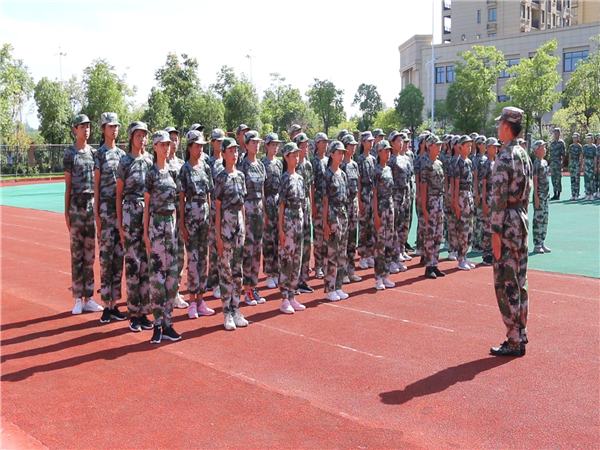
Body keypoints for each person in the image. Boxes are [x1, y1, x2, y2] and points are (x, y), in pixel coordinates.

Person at [490, 106, 531, 357]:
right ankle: (521, 333)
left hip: (506, 223)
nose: (498, 128)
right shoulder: (523, 154)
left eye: (500, 124)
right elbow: (528, 191)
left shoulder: (505, 156)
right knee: (520, 280)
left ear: (506, 126)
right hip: (521, 220)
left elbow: (498, 198)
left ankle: (513, 340)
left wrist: (495, 232)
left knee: (505, 282)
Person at [64, 114, 104, 315]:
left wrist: (97, 211)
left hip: (91, 206)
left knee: (90, 255)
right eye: (82, 126)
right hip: (76, 207)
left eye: (88, 126)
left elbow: (98, 185)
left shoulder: (94, 153)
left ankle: (89, 298)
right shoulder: (70, 154)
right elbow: (68, 185)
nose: (86, 130)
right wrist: (66, 213)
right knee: (77, 255)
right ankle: (78, 299)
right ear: (75, 130)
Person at [144, 130, 182, 344]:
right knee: (158, 276)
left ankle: (168, 322)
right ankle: (157, 324)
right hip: (156, 224)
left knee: (172, 276)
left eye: (168, 144)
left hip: (171, 225)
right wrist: (146, 234)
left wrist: (177, 228)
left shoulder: (173, 172)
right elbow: (147, 205)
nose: (167, 148)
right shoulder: (150, 174)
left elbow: (176, 204)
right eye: (162, 144)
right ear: (155, 147)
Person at [117, 121, 154, 332]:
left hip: (147, 214)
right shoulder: (124, 162)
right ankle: (133, 313)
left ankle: (144, 312)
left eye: (144, 135)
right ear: (131, 137)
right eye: (138, 135)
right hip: (130, 213)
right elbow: (118, 195)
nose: (142, 139)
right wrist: (120, 224)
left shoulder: (150, 161)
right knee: (133, 264)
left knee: (146, 264)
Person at [179, 130, 215, 318]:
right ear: (189, 147)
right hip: (191, 216)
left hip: (204, 216)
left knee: (203, 259)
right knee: (192, 260)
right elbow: (181, 198)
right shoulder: (185, 169)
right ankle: (192, 301)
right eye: (197, 146)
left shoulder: (206, 167)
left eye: (202, 146)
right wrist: (183, 224)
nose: (200, 149)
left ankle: (201, 300)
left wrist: (210, 218)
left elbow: (209, 193)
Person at [94, 112, 126, 323]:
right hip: (105, 211)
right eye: (110, 126)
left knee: (118, 258)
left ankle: (115, 304)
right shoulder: (99, 154)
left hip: (120, 211)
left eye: (116, 126)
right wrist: (97, 214)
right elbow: (95, 185)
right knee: (106, 259)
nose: (114, 130)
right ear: (103, 129)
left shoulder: (122, 155)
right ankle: (106, 305)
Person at [214, 138, 249, 331]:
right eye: (230, 151)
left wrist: (244, 228)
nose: (234, 154)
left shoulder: (241, 176)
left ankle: (236, 309)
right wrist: (218, 235)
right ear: (223, 153)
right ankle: (226, 312)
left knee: (238, 270)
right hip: (226, 225)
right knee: (226, 270)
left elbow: (242, 204)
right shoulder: (221, 177)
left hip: (239, 226)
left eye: (236, 151)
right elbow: (218, 208)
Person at [278, 142, 307, 314]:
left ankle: (292, 295)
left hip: (299, 220)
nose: (296, 158)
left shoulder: (300, 178)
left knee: (297, 259)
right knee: (287, 259)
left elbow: (303, 203)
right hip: (288, 220)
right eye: (293, 155)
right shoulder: (284, 178)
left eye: (297, 155)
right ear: (286, 157)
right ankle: (284, 299)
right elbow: (281, 205)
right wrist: (281, 229)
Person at [240, 130, 267, 305]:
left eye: (258, 143)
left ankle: (254, 287)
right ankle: (246, 289)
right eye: (253, 143)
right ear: (246, 144)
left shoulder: (261, 165)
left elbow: (262, 190)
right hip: (248, 209)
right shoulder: (243, 165)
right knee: (248, 251)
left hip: (258, 210)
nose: (256, 146)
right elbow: (241, 192)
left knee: (257, 251)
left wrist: (264, 212)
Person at [165, 127, 189, 310]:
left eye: (176, 139)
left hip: (180, 213)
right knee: (165, 255)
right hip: (165, 214)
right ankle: (163, 292)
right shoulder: (159, 163)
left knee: (180, 254)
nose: (174, 143)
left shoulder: (182, 164)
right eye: (170, 139)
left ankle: (175, 291)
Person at [323, 141, 349, 301]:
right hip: (332, 213)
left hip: (343, 213)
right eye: (339, 153)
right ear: (332, 154)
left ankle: (338, 286)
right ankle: (329, 288)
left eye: (342, 153)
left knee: (342, 252)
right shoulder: (327, 175)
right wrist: (325, 222)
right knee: (332, 252)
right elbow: (325, 200)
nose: (341, 156)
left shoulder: (343, 174)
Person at [420, 135, 446, 279]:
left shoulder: (439, 163)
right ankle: (428, 266)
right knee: (430, 235)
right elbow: (423, 187)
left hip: (439, 200)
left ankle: (435, 264)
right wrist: (424, 209)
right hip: (431, 201)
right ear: (430, 146)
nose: (439, 147)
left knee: (438, 234)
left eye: (440, 144)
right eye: (436, 145)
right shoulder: (427, 165)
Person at [373, 140, 396, 290]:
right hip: (381, 207)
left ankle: (386, 274)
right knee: (380, 244)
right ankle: (378, 277)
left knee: (389, 242)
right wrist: (376, 214)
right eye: (385, 151)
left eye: (389, 151)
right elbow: (374, 194)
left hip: (390, 206)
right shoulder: (376, 171)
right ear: (379, 152)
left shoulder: (389, 169)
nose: (388, 154)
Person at [293, 132, 315, 294]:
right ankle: (292, 281)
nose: (305, 149)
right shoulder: (292, 166)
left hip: (306, 207)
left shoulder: (307, 165)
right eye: (302, 146)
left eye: (307, 146)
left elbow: (310, 187)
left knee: (307, 244)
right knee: (296, 246)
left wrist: (312, 207)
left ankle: (303, 279)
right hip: (295, 209)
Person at [206, 128, 226, 299]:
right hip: (213, 207)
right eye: (217, 141)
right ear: (212, 143)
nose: (220, 144)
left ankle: (223, 279)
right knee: (213, 247)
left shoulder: (227, 160)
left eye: (222, 141)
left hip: (227, 209)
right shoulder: (209, 163)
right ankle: (214, 281)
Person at [340, 134, 362, 283]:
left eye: (354, 145)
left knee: (353, 238)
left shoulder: (354, 164)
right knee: (344, 239)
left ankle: (351, 271)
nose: (353, 148)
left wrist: (358, 203)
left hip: (353, 203)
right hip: (344, 204)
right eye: (350, 145)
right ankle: (342, 272)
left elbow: (358, 185)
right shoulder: (341, 165)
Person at [262, 132, 283, 288]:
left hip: (277, 201)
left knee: (278, 238)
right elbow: (262, 188)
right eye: (273, 145)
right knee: (268, 239)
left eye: (277, 145)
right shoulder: (262, 164)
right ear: (267, 146)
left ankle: (277, 271)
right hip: (267, 201)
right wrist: (264, 210)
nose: (275, 147)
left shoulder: (279, 164)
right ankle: (269, 273)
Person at [388, 131, 410, 273]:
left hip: (404, 196)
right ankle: (391, 259)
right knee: (393, 229)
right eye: (398, 141)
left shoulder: (405, 159)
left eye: (402, 141)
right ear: (392, 143)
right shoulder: (390, 160)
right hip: (394, 196)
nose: (401, 143)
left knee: (402, 227)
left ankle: (399, 255)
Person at [454, 135, 475, 271]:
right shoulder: (458, 163)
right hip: (462, 195)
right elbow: (456, 184)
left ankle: (465, 255)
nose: (469, 148)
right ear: (460, 147)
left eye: (470, 146)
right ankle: (461, 257)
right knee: (462, 228)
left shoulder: (469, 162)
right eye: (467, 146)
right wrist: (456, 202)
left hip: (469, 195)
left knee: (469, 227)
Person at [357, 131, 376, 270]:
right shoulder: (360, 160)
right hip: (363, 194)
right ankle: (362, 256)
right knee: (363, 227)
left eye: (372, 141)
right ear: (363, 142)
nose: (371, 143)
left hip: (371, 194)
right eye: (369, 141)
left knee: (371, 226)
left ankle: (369, 254)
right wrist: (359, 200)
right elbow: (358, 181)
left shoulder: (373, 159)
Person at [311, 132, 329, 279]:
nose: (325, 144)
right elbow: (312, 185)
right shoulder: (315, 162)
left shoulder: (328, 160)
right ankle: (318, 266)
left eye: (326, 142)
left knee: (327, 234)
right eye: (322, 142)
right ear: (317, 144)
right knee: (318, 236)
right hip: (318, 201)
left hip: (327, 202)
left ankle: (326, 263)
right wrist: (313, 205)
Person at [480, 138, 499, 266]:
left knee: (493, 226)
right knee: (487, 226)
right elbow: (483, 183)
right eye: (493, 147)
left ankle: (492, 252)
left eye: (496, 147)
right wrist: (484, 202)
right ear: (487, 148)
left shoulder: (495, 163)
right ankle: (486, 254)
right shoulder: (486, 164)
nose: (495, 149)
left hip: (495, 200)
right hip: (488, 199)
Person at [531, 140, 551, 254]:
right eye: (542, 148)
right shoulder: (536, 163)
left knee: (544, 219)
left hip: (545, 195)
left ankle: (542, 241)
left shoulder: (545, 162)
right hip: (539, 195)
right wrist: (536, 196)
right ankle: (537, 244)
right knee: (538, 220)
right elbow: (535, 180)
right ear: (537, 150)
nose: (544, 150)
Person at [471, 135, 487, 254]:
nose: (485, 145)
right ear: (478, 145)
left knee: (483, 219)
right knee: (477, 219)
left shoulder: (485, 158)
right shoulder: (476, 159)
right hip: (479, 192)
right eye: (483, 143)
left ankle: (481, 242)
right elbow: (475, 178)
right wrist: (476, 193)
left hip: (485, 192)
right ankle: (475, 244)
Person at [548, 127, 565, 200]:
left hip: (558, 163)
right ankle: (555, 193)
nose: (555, 135)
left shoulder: (561, 143)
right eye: (554, 133)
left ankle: (558, 194)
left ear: (559, 134)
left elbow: (563, 154)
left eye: (556, 133)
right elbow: (550, 154)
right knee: (553, 179)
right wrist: (550, 163)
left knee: (558, 179)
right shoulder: (552, 143)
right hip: (553, 163)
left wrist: (562, 163)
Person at [567, 132, 583, 201]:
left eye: (575, 138)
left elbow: (581, 157)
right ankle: (573, 194)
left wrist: (581, 166)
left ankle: (577, 194)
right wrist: (569, 164)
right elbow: (569, 156)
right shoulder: (571, 146)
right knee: (572, 179)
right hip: (572, 163)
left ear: (578, 138)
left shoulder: (579, 146)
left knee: (577, 179)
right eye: (573, 138)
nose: (574, 139)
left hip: (577, 163)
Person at [583, 133, 597, 201]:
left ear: (592, 139)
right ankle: (588, 193)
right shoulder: (585, 147)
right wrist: (583, 165)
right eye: (587, 139)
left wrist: (595, 167)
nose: (588, 140)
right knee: (586, 179)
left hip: (591, 164)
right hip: (586, 164)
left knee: (591, 179)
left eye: (589, 139)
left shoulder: (594, 147)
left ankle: (592, 194)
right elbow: (584, 157)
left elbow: (595, 157)